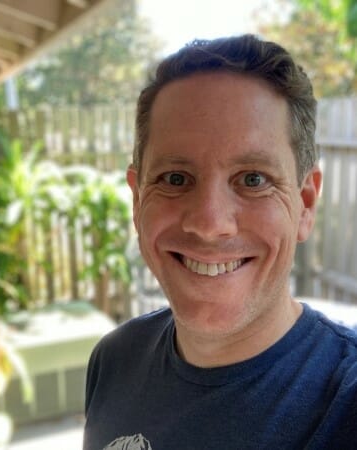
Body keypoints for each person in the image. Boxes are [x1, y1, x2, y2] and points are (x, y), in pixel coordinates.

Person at [83, 34, 357, 450]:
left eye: (253, 180)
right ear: (138, 200)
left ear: (304, 203)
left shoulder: (344, 404)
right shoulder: (113, 360)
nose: (210, 224)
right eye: (175, 179)